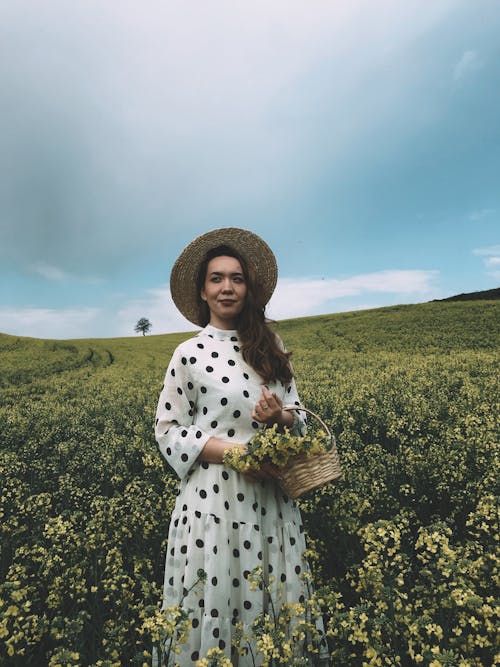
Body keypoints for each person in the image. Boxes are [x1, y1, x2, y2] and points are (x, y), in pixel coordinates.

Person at [153, 227, 326, 665]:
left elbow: (299, 417)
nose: (227, 287)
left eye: (237, 278)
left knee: (272, 608)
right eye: (216, 278)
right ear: (202, 291)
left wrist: (278, 416)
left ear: (249, 289)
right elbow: (168, 429)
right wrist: (233, 454)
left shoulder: (270, 346)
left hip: (271, 500)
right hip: (213, 503)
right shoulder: (188, 354)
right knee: (214, 603)